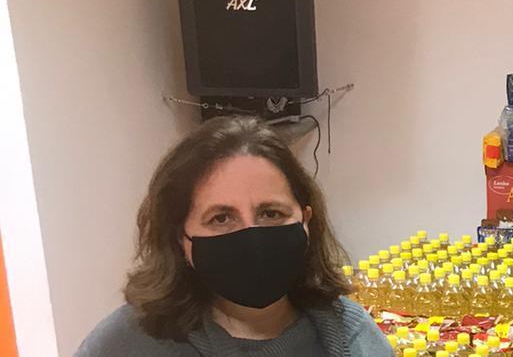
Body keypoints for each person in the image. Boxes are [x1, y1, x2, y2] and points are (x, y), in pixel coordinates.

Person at [76, 116, 391, 356]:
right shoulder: (126, 344)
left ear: (306, 221)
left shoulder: (353, 335)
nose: (251, 236)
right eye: (221, 218)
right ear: (180, 239)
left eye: (271, 213)